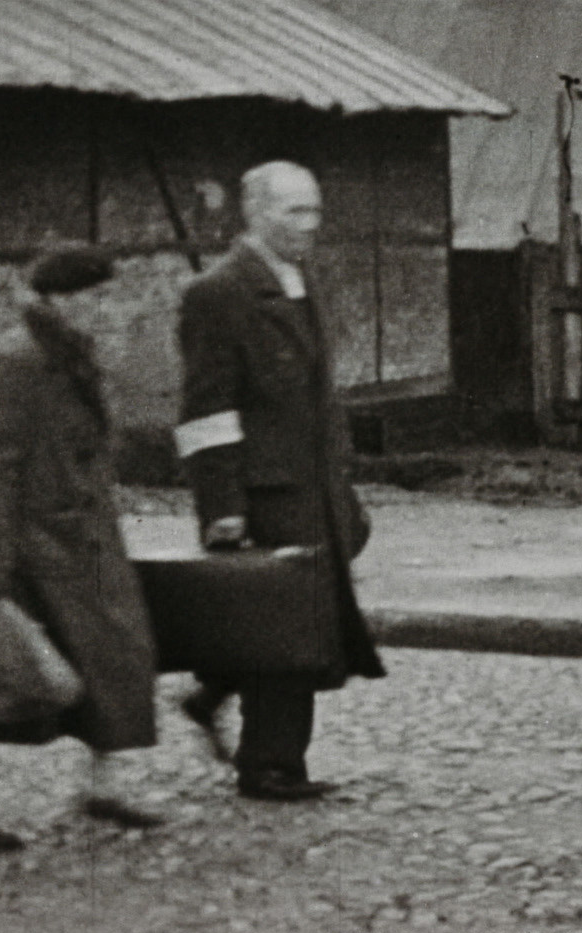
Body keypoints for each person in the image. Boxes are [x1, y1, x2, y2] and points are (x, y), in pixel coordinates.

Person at [175, 160, 384, 801]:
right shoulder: (217, 292)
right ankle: (270, 766)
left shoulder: (298, 279)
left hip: (314, 484)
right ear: (256, 214)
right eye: (296, 211)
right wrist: (223, 507)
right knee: (290, 628)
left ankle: (216, 691)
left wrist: (341, 478)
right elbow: (205, 411)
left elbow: (317, 394)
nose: (311, 224)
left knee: (295, 622)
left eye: (315, 209)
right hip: (264, 492)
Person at [0, 245, 162, 844]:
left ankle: (103, 784)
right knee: (14, 679)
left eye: (112, 295)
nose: (111, 308)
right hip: (31, 550)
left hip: (82, 543)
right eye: (97, 296)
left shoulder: (74, 355)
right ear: (58, 301)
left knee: (116, 663)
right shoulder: (16, 361)